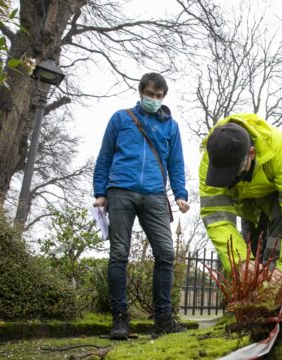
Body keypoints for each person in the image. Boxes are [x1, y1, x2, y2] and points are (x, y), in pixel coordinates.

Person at [93, 72, 190, 340]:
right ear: (141, 92)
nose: (154, 99)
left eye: (159, 96)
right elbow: (104, 157)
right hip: (120, 190)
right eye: (150, 94)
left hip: (155, 194)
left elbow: (176, 164)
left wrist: (180, 194)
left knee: (166, 253)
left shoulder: (171, 127)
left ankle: (162, 320)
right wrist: (100, 193)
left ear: (164, 97)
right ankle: (120, 320)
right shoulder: (121, 119)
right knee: (119, 254)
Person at [199, 113, 282, 281]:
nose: (227, 178)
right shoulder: (210, 159)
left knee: (275, 263)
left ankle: (281, 296)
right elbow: (216, 216)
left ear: (251, 153)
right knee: (249, 264)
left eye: (232, 172)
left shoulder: (279, 149)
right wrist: (240, 262)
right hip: (248, 206)